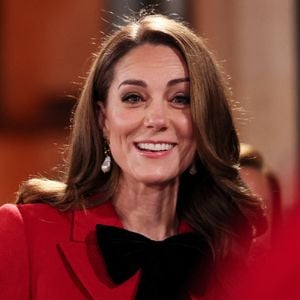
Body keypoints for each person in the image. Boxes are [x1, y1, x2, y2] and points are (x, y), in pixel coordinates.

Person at [0, 13, 266, 300]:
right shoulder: (23, 234)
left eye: (180, 99)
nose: (156, 119)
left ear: (204, 121)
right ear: (103, 119)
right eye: (133, 98)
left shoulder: (233, 257)